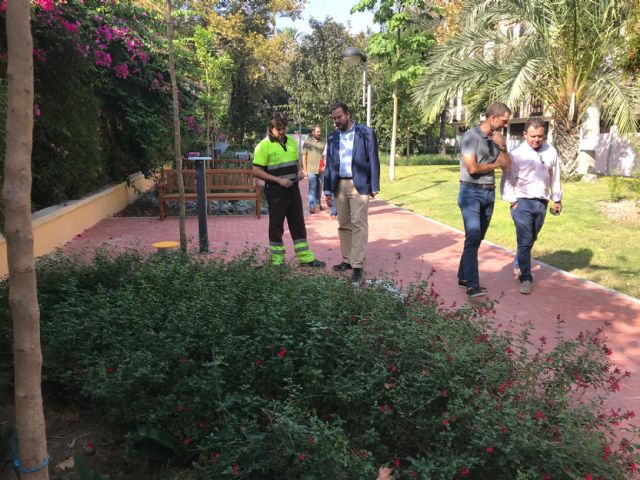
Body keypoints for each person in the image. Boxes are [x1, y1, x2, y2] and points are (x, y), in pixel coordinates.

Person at [252, 112, 326, 268]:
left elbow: (296, 162)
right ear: (271, 128)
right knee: (276, 226)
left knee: (298, 224)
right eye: (278, 129)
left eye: (284, 128)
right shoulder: (263, 146)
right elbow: (256, 171)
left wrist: (299, 171)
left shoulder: (291, 142)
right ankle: (278, 261)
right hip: (275, 192)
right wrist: (278, 180)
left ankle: (305, 258)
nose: (282, 131)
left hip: (293, 190)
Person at [501, 117, 562, 295]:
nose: (536, 139)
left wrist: (556, 199)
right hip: (522, 202)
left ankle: (519, 261)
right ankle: (526, 278)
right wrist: (513, 202)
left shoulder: (551, 151)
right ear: (524, 134)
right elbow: (507, 180)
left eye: (540, 136)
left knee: (531, 238)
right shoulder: (516, 153)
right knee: (525, 240)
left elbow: (555, 176)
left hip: (541, 202)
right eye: (533, 136)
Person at [457, 102, 512, 298]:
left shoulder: (498, 139)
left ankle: (463, 275)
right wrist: (494, 165)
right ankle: (473, 286)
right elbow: (471, 168)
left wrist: (503, 148)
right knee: (473, 236)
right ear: (493, 118)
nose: (505, 125)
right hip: (470, 192)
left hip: (489, 193)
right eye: (504, 121)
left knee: (477, 238)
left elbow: (506, 167)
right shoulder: (471, 137)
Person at [323, 101, 380, 284]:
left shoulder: (365, 132)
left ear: (347, 114)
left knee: (359, 224)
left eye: (339, 117)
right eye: (334, 118)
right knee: (344, 224)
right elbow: (330, 165)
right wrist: (327, 189)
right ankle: (347, 260)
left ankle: (357, 265)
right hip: (339, 184)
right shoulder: (333, 137)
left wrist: (374, 185)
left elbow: (373, 158)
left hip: (359, 184)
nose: (337, 121)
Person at [302, 124, 326, 213]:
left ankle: (318, 204)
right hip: (311, 169)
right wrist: (305, 170)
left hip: (321, 170)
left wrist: (325, 166)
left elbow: (326, 155)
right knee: (312, 187)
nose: (319, 133)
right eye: (317, 132)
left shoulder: (323, 142)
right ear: (313, 132)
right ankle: (312, 206)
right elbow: (304, 156)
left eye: (320, 131)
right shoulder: (307, 143)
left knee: (319, 188)